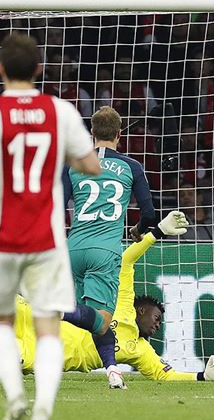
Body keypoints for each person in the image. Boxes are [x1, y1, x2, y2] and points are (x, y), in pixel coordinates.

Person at [0, 215, 214, 383]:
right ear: (142, 309)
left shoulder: (141, 351)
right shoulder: (122, 301)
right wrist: (155, 234)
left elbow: (164, 375)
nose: (157, 326)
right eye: (157, 318)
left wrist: (200, 377)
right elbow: (127, 260)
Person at [0, 33, 101, 420]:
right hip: (46, 237)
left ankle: (14, 398)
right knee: (48, 327)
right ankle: (43, 406)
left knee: (0, 322)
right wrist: (66, 155)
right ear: (39, 69)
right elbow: (91, 164)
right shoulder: (60, 110)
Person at [60, 105, 157, 390]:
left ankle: (112, 370)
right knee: (101, 320)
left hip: (73, 249)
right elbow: (150, 214)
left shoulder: (72, 165)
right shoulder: (131, 167)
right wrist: (138, 230)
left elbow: (56, 206)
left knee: (93, 320)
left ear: (92, 133)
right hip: (104, 252)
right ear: (119, 134)